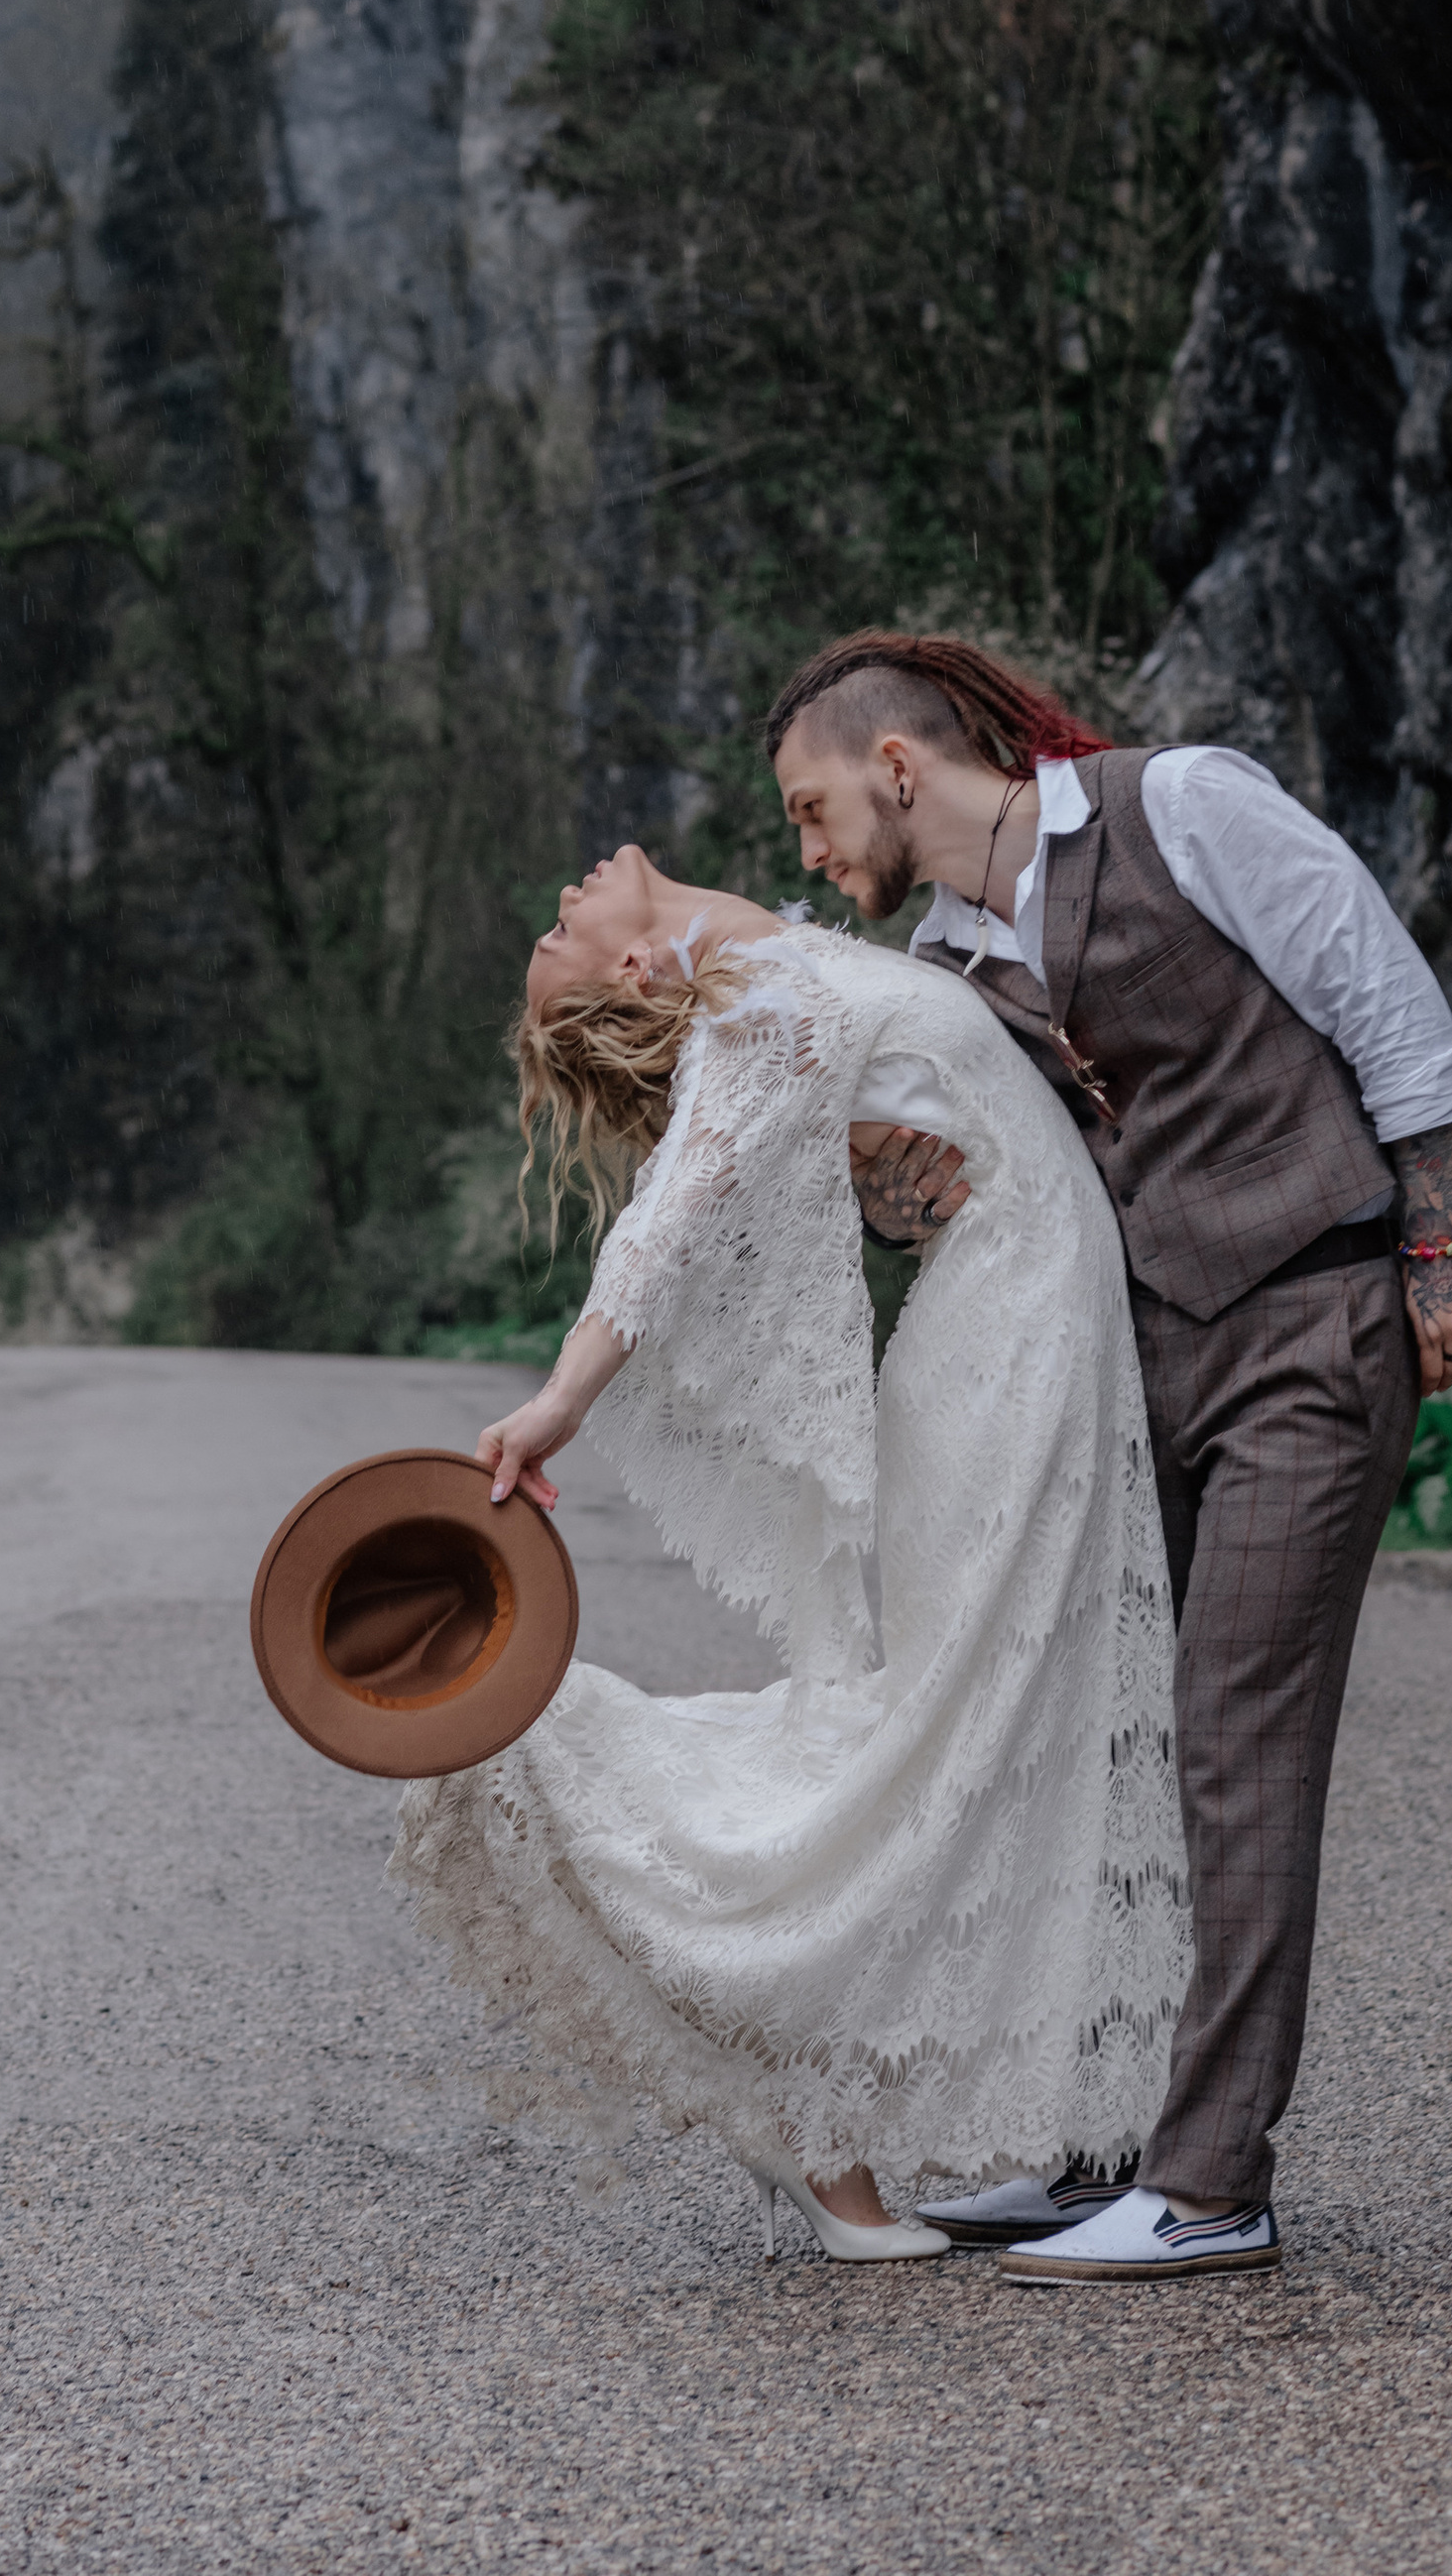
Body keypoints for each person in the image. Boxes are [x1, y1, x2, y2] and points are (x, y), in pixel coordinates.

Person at [766, 634, 1452, 2284]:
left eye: (814, 811)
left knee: (1234, 1728)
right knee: (1119, 1752)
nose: (810, 855)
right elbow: (964, 1188)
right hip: (1132, 1367)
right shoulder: (945, 967)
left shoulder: (1177, 805)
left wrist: (1438, 1238)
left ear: (897, 766)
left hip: (1312, 1316)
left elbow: (1382, 993)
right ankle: (1105, 2150)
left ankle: (1214, 2181)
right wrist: (881, 1176)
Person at [393, 842, 1190, 2263]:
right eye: (554, 932)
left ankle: (869, 2128)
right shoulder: (753, 1000)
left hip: (1021, 1322)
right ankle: (820, 2117)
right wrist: (563, 1401)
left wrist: (893, 1181)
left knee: (984, 1731)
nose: (563, 892)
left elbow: (909, 1129)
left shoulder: (801, 958)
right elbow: (672, 1217)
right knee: (957, 1733)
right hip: (1010, 1346)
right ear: (641, 972)